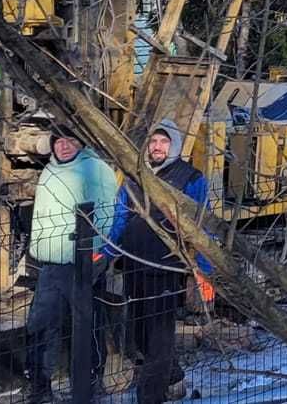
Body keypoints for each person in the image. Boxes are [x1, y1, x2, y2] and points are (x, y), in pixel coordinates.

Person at [102, 120, 213, 404]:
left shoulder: (190, 179)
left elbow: (204, 227)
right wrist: (106, 252)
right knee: (140, 333)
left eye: (164, 142)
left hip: (166, 269)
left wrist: (204, 270)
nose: (157, 147)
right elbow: (120, 218)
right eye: (153, 141)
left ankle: (150, 397)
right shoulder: (135, 177)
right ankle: (173, 377)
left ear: (174, 146)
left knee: (160, 337)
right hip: (134, 266)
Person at [24, 125, 118, 403]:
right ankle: (40, 386)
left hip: (83, 261)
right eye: (59, 140)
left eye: (71, 139)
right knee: (41, 324)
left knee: (86, 324)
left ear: (82, 143)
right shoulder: (50, 170)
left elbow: (107, 212)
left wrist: (99, 254)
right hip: (51, 264)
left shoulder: (96, 170)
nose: (64, 145)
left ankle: (89, 381)